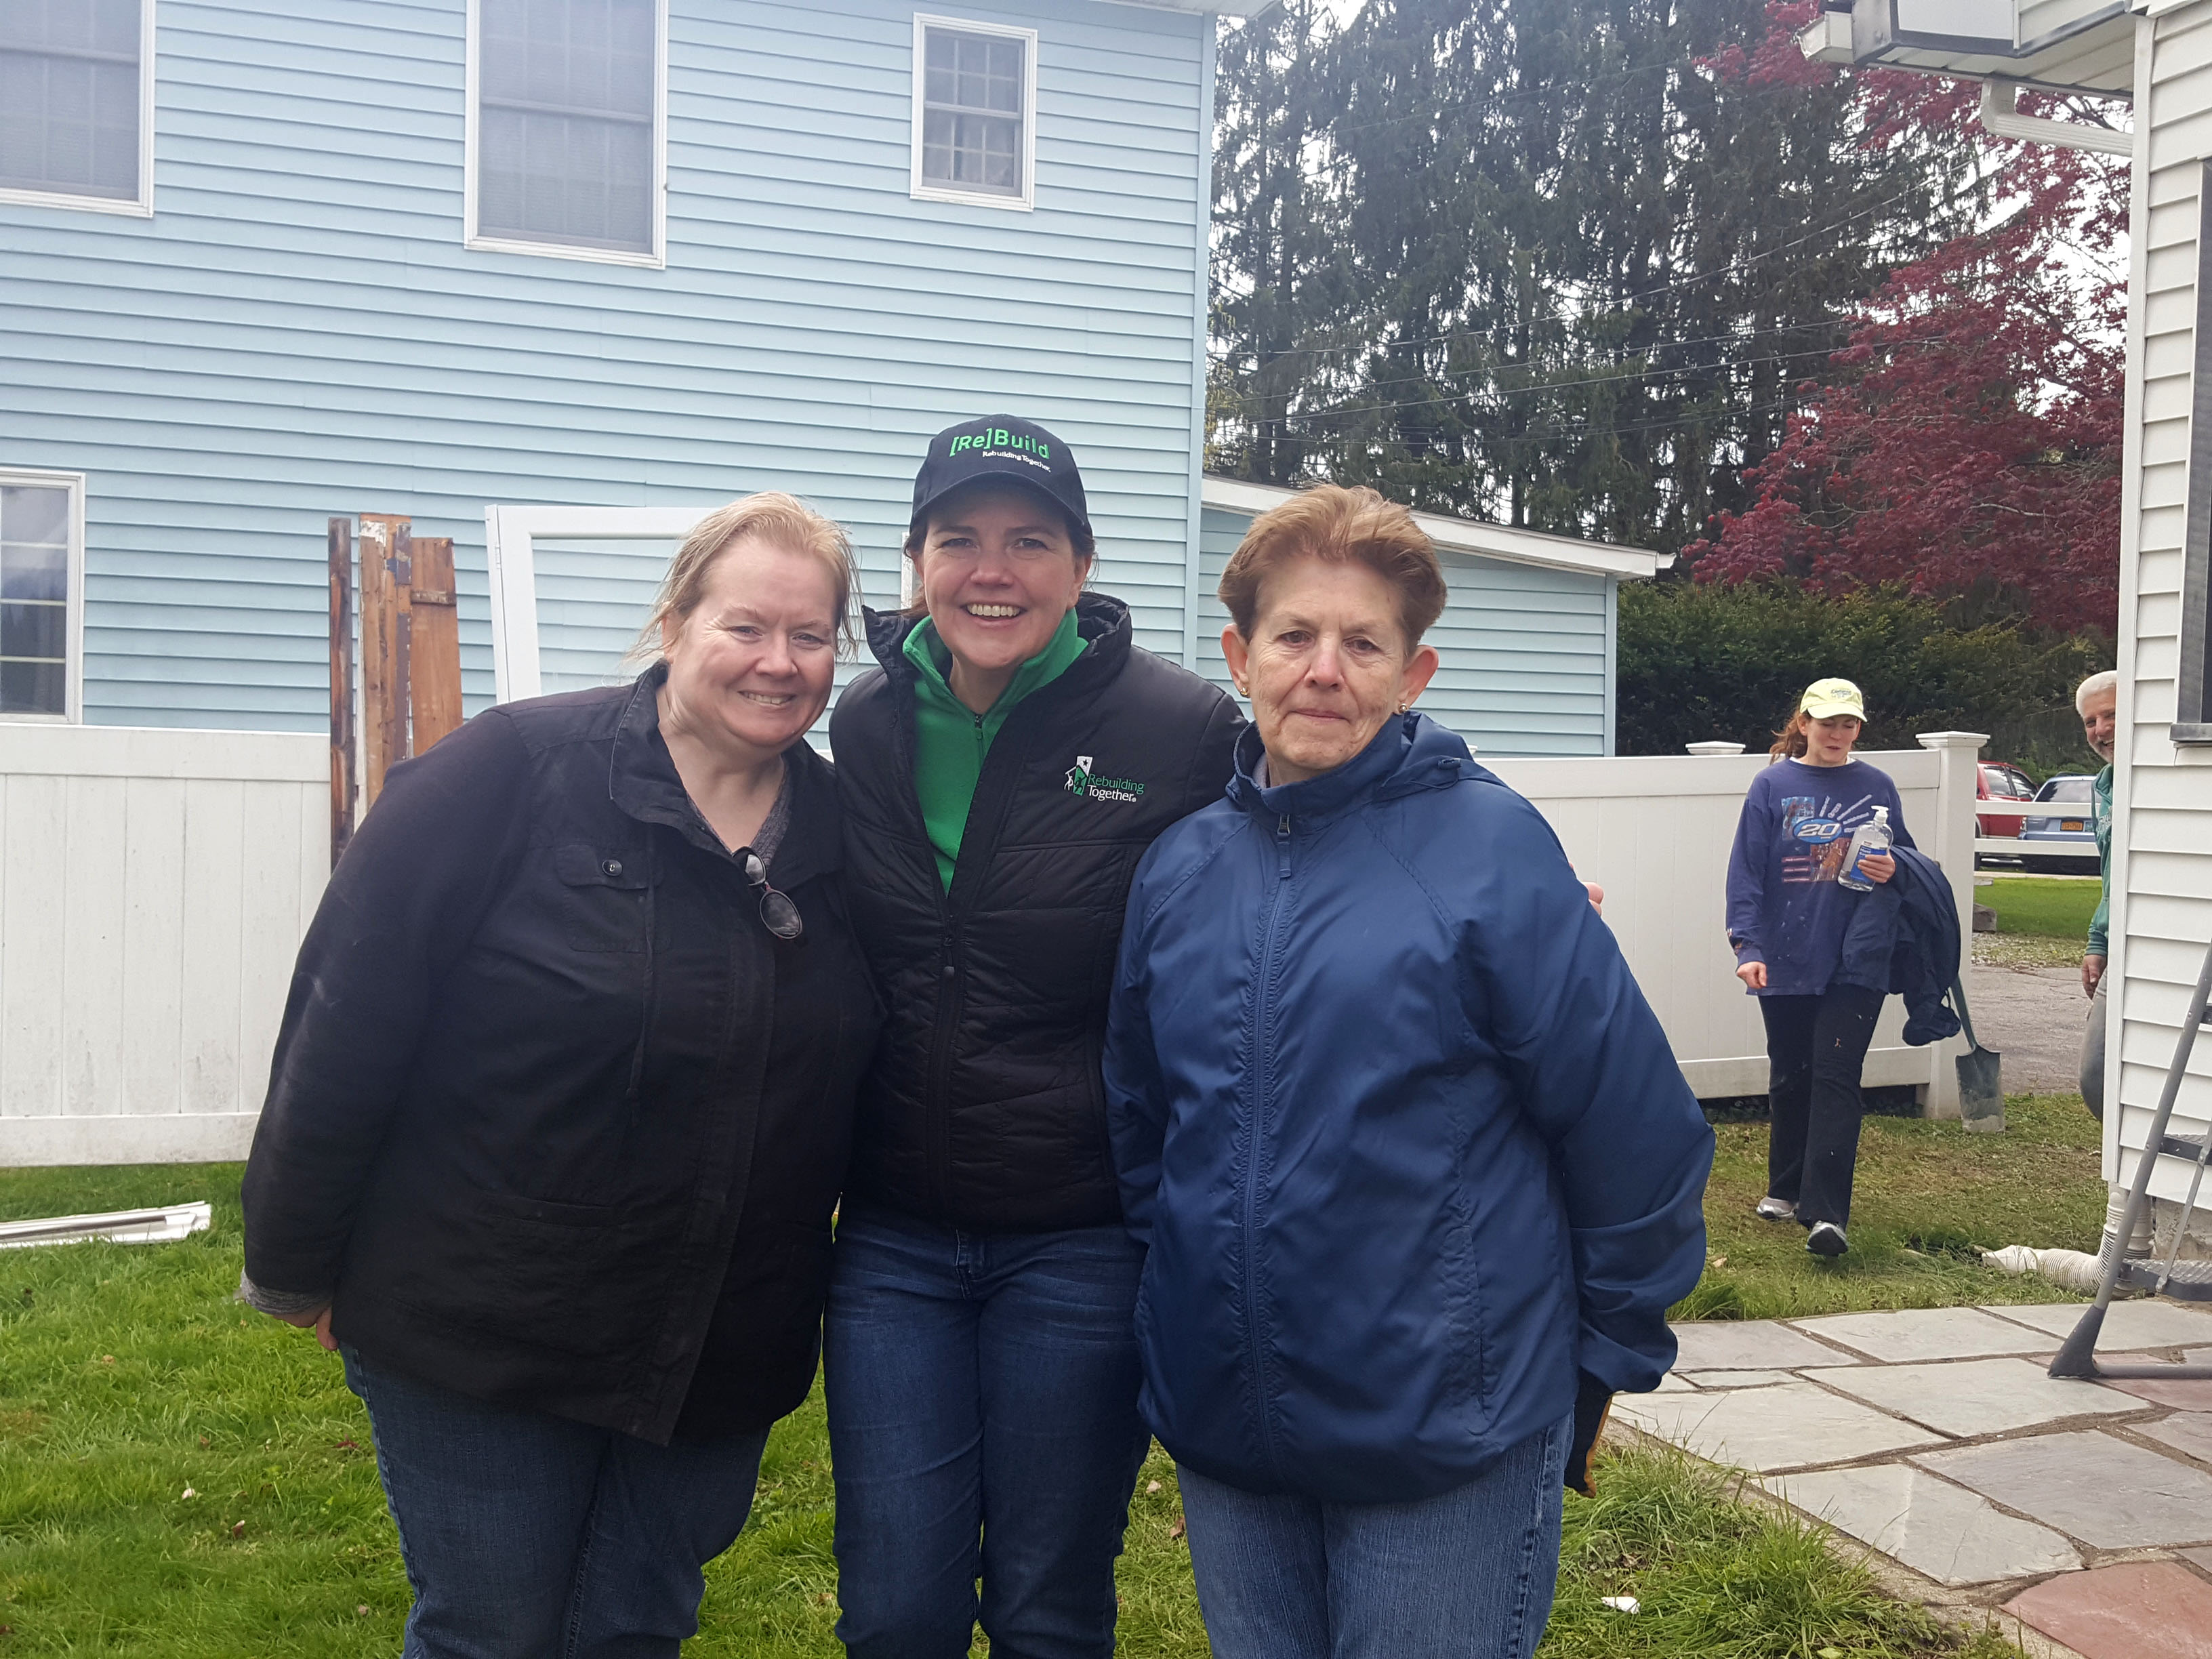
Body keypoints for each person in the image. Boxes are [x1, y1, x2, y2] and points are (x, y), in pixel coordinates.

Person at [239, 494, 882, 1658]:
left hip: (719, 1341)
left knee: (635, 1627)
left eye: (810, 635)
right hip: (486, 1321)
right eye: (745, 625)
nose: (778, 663)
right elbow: (345, 1021)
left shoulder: (842, 833)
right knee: (493, 1630)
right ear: (676, 620)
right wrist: (294, 1265)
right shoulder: (506, 774)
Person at [1101, 484, 1713, 1659]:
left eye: (1361, 642)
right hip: (1230, 1425)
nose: (1322, 669)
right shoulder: (1179, 868)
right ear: (1239, 655)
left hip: (1444, 1432)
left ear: (1410, 674)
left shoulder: (1488, 850)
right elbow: (1141, 1118)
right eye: (1292, 635)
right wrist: (1170, 1303)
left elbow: (1632, 1127)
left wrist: (1599, 1359)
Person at [825, 415, 1242, 1658]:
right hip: (893, 1237)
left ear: (1080, 562)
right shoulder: (866, 723)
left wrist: (1497, 846)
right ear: (917, 561)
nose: (989, 570)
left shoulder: (1180, 726)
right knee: (893, 1606)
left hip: (1081, 1236)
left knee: (1047, 1604)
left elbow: (1336, 785)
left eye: (1027, 539)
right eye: (958, 539)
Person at [1727, 678, 1909, 1258]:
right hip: (1783, 955)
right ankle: (1785, 1188)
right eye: (1826, 722)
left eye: (1848, 724)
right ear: (1803, 723)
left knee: (1835, 1076)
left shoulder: (1877, 787)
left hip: (1857, 958)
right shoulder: (1773, 786)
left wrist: (1894, 870)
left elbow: (1906, 864)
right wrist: (1747, 948)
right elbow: (1747, 872)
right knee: (1791, 1074)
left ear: (1859, 727)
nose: (1838, 734)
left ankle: (1826, 1214)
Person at [2076, 669, 2118, 1119]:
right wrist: (2097, 942)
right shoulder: (2103, 787)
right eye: (2091, 721)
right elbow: (2111, 874)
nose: (2101, 730)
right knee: (2098, 1076)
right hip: (2120, 945)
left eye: (2110, 716)